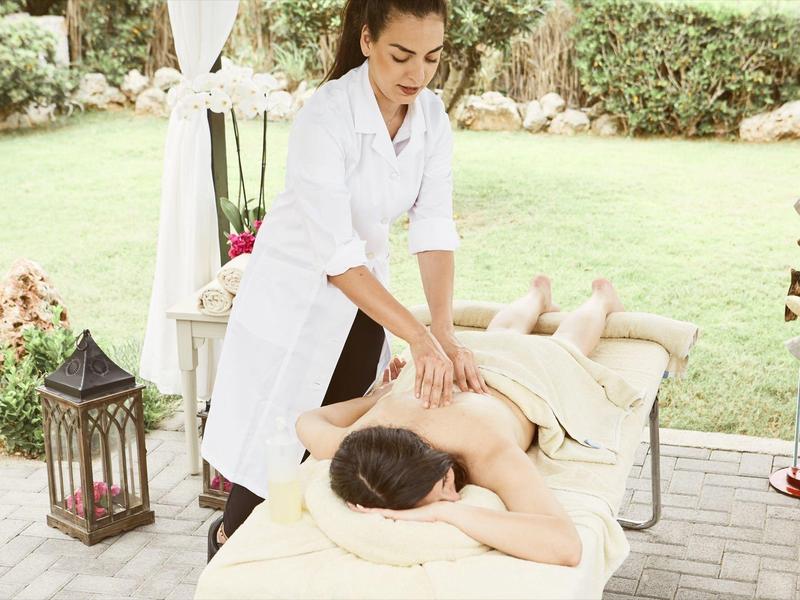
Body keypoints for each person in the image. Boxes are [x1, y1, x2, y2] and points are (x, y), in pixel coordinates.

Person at [203, 0, 486, 558]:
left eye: (432, 57)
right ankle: (225, 551)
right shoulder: (326, 116)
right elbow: (335, 257)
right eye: (401, 55)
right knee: (272, 456)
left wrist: (445, 332)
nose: (418, 74)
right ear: (366, 41)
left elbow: (431, 227)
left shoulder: (430, 117)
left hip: (364, 302)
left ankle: (307, 567)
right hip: (295, 300)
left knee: (343, 450)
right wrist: (419, 336)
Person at [296, 276, 628, 566]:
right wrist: (379, 397)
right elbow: (308, 421)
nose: (454, 499)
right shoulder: (361, 442)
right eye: (444, 501)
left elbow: (565, 546)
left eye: (443, 487)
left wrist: (443, 512)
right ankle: (538, 294)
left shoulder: (483, 448)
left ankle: (601, 297)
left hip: (523, 375)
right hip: (462, 361)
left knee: (566, 346)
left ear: (433, 460)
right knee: (502, 332)